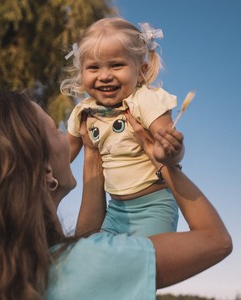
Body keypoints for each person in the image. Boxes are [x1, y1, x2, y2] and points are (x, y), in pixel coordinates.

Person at [0, 91, 232, 300]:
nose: (66, 138)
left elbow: (87, 239)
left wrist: (92, 151)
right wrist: (162, 164)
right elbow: (216, 241)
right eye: (55, 131)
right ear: (46, 170)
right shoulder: (89, 262)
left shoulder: (0, 270)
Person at [61, 17, 184, 237]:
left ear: (141, 70)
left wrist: (171, 151)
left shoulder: (145, 100)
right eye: (93, 67)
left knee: (143, 262)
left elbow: (168, 147)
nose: (105, 76)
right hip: (116, 209)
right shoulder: (84, 112)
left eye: (116, 65)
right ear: (82, 72)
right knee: (102, 258)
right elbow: (62, 155)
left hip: (153, 206)